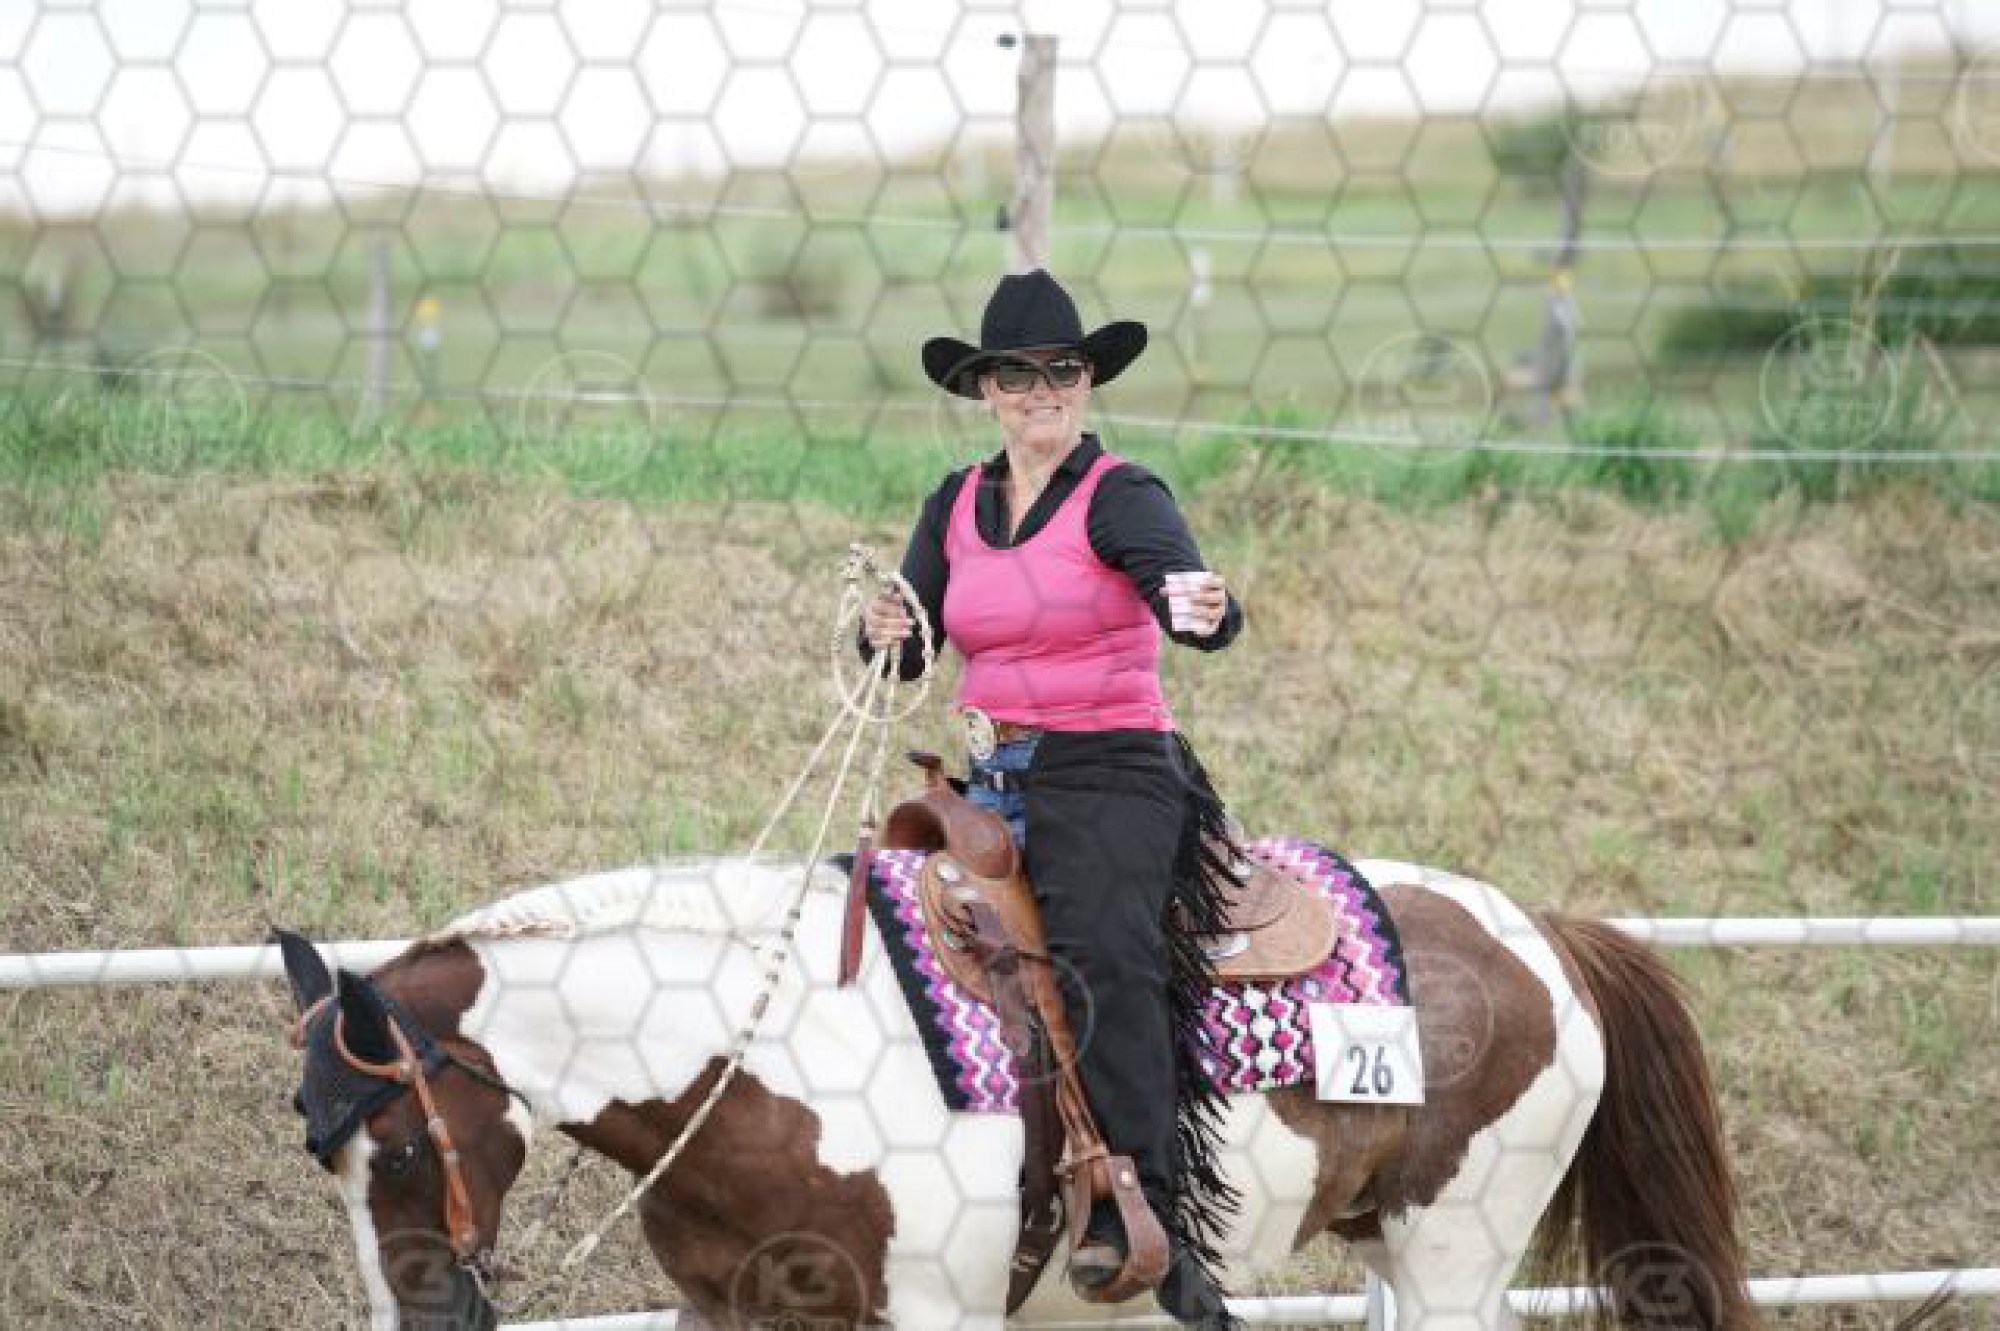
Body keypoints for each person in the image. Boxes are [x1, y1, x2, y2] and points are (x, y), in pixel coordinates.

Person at [861, 269, 1245, 1329]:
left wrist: (1203, 607)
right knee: (886, 916)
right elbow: (912, 640)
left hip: (1109, 769)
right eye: (1018, 375)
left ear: (1086, 380)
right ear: (985, 389)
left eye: (1062, 370)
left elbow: (1188, 595)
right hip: (988, 775)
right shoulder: (954, 501)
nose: (1042, 390)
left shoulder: (1121, 493)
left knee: (1103, 954)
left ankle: (1150, 1212)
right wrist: (881, 631)